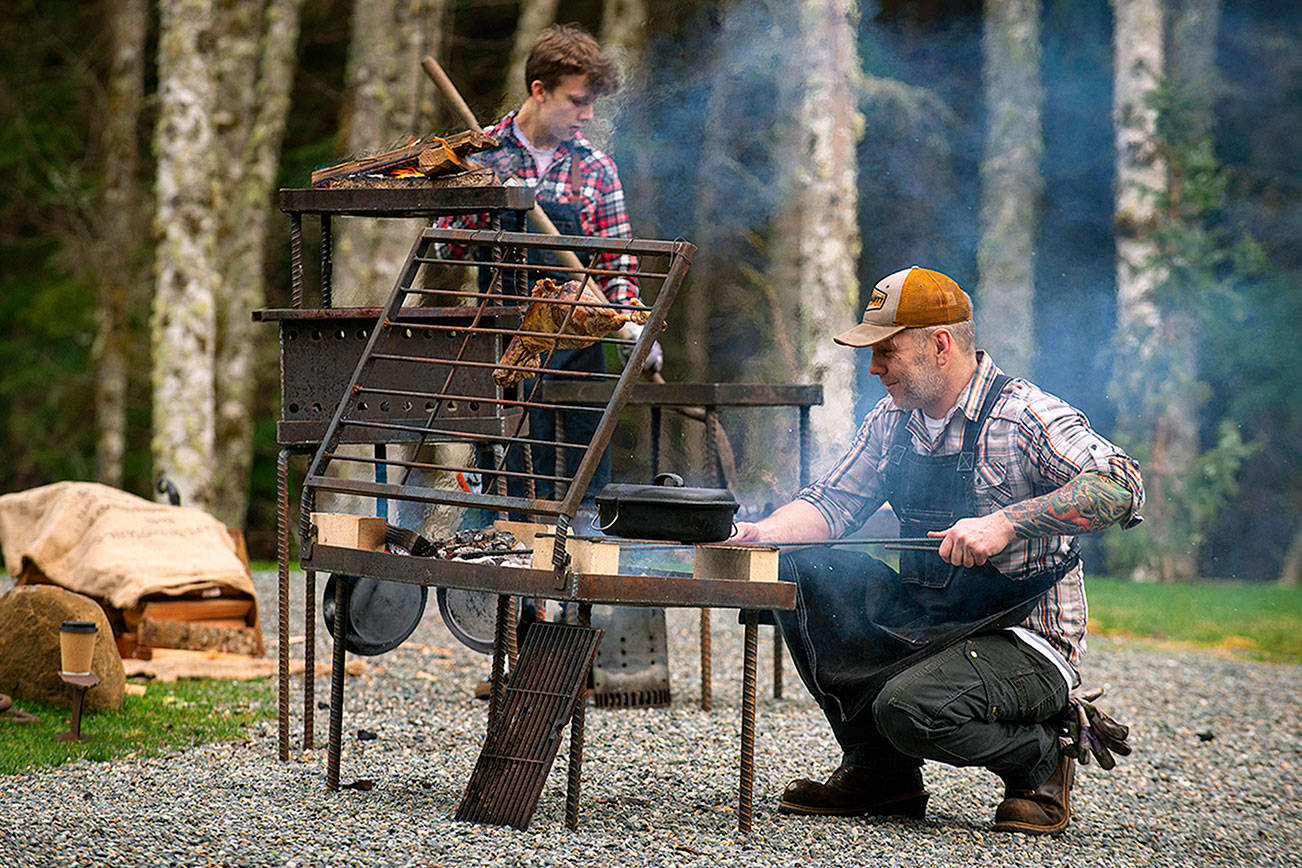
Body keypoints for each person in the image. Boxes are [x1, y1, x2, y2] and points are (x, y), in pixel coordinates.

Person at [731, 265, 1145, 835]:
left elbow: (1121, 484)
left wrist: (1007, 523)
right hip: (929, 624)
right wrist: (760, 532)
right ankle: (881, 773)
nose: (874, 368)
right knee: (802, 571)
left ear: (940, 345)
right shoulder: (892, 419)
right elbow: (830, 505)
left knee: (906, 708)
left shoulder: (1023, 414)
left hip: (1027, 640)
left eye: (886, 352)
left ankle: (1043, 757)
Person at [436, 23, 660, 506]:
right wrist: (478, 194)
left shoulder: (595, 169)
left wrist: (632, 328)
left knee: (588, 471)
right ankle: (504, 562)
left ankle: (584, 565)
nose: (588, 113)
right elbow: (444, 250)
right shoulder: (481, 155)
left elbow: (616, 265)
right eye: (577, 101)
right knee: (509, 474)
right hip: (504, 344)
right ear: (539, 91)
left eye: (592, 102)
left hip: (581, 346)